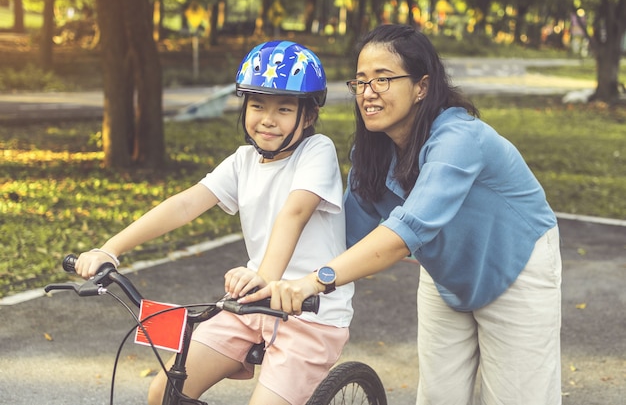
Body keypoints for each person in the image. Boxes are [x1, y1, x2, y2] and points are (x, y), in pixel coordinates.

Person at [242, 25, 563, 405]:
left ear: (422, 87)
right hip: (447, 274)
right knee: (438, 396)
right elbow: (343, 239)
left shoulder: (458, 139)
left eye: (383, 79)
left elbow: (403, 233)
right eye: (360, 82)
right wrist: (267, 282)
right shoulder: (372, 156)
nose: (368, 93)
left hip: (515, 265)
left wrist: (315, 281)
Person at [74, 40, 354, 405]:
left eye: (284, 109)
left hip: (311, 312)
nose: (268, 119)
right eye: (257, 105)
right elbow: (186, 204)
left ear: (309, 116)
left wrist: (266, 276)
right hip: (249, 304)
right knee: (165, 392)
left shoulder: (317, 152)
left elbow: (295, 211)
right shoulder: (242, 161)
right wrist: (110, 248)